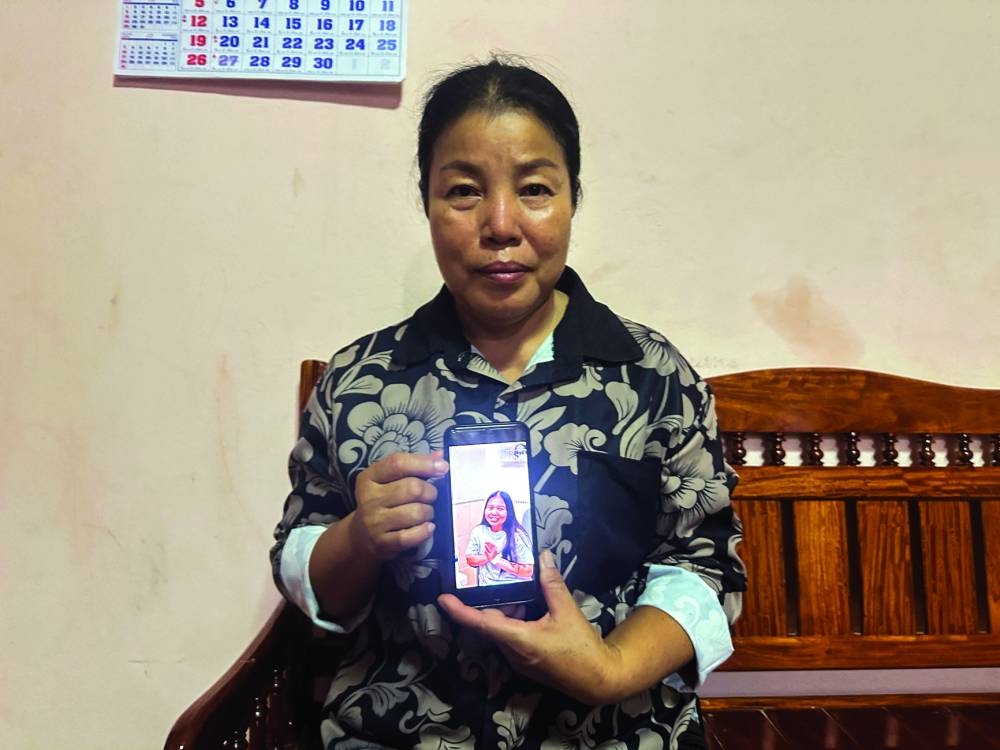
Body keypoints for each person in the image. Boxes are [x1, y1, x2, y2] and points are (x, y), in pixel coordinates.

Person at [271, 57, 746, 749]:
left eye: (534, 189)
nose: (500, 224)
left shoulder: (652, 376)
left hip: (613, 731)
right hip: (404, 730)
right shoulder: (358, 381)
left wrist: (610, 669)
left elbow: (704, 566)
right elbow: (304, 564)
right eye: (464, 191)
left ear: (573, 198)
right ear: (427, 202)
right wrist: (359, 538)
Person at [465, 490, 533, 584]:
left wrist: (496, 559)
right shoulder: (478, 531)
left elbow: (528, 571)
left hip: (514, 586)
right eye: (490, 508)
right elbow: (470, 560)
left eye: (500, 508)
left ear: (508, 512)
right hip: (488, 587)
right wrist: (486, 557)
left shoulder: (517, 535)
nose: (494, 512)